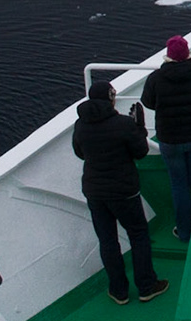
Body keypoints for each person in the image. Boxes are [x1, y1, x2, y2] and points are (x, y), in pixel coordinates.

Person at [72, 80, 168, 305]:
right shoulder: (123, 124)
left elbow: (80, 153)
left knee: (107, 240)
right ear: (110, 98)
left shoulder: (81, 125)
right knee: (138, 235)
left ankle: (118, 290)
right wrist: (139, 129)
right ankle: (146, 286)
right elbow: (140, 152)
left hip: (95, 193)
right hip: (123, 191)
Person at [139, 36, 191, 243]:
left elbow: (148, 102)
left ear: (169, 55)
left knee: (179, 185)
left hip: (171, 140)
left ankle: (184, 232)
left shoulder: (156, 78)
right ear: (187, 53)